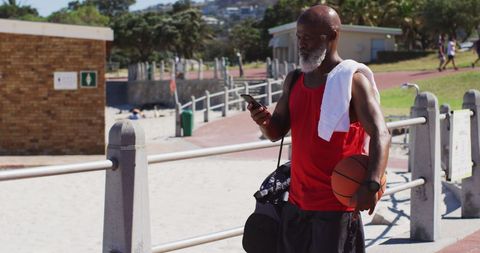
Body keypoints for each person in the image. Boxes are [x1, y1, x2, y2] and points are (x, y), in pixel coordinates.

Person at [247, 5, 390, 253]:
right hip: (296, 203)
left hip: (336, 208)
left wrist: (372, 184)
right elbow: (275, 132)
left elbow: (381, 133)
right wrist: (263, 119)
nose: (301, 44)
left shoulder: (353, 81)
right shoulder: (294, 80)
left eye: (309, 38)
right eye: (299, 37)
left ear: (332, 36)